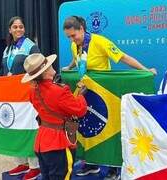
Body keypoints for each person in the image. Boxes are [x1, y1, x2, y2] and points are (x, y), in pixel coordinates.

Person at [62, 15, 157, 180]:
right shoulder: (74, 45)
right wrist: (69, 67)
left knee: (110, 128)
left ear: (82, 29)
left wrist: (145, 69)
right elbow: (76, 60)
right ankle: (92, 163)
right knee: (87, 129)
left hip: (105, 95)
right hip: (86, 94)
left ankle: (114, 167)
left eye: (73, 35)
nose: (71, 39)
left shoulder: (101, 42)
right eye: (68, 37)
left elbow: (124, 57)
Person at [21, 53, 88, 179]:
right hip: (58, 143)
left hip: (42, 141)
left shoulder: (32, 91)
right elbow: (80, 110)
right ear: (45, 71)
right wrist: (81, 95)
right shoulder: (60, 91)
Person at [0, 16, 41, 180]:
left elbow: (39, 67)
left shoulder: (31, 46)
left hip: (27, 95)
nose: (18, 29)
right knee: (14, 127)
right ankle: (22, 163)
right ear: (10, 30)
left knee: (29, 128)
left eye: (21, 27)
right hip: (12, 97)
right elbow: (2, 72)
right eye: (15, 27)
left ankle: (34, 166)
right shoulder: (7, 50)